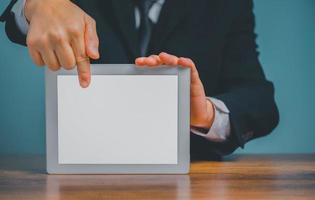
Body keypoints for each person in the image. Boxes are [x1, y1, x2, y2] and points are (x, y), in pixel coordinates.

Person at [0, 0, 279, 160]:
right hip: (86, 172)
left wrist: (206, 114)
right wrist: (38, 4)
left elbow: (259, 99)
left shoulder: (226, 5)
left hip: (193, 177)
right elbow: (16, 20)